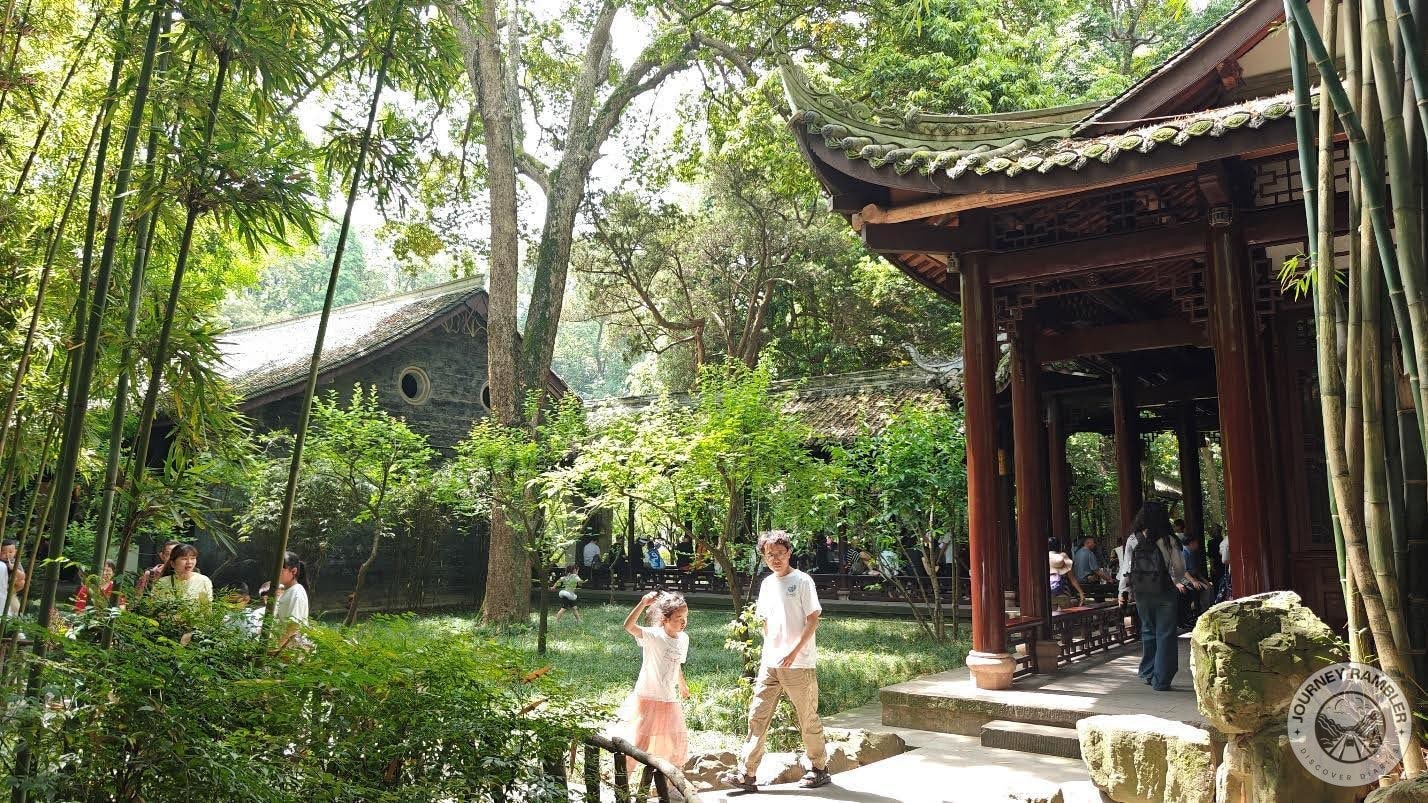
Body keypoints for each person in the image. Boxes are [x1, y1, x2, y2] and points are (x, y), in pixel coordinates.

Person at [719, 530, 831, 792]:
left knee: (807, 718)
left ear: (789, 553)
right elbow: (765, 620)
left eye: (780, 553)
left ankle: (819, 768)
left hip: (799, 664)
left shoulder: (802, 581)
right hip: (770, 664)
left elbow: (813, 619)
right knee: (757, 716)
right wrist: (771, 648)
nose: (776, 559)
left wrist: (793, 651)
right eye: (770, 554)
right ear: (764, 556)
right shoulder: (767, 583)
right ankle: (747, 774)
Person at [1118, 501, 1196, 691]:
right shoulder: (1169, 539)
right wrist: (1174, 579)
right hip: (1165, 591)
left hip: (1141, 592)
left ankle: (1147, 672)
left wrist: (1123, 591)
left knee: (1147, 630)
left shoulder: (1133, 539)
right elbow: (1179, 569)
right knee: (1166, 633)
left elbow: (1126, 569)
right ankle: (1161, 680)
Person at [619, 590, 690, 775]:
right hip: (648, 697)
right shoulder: (653, 636)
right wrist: (643, 603)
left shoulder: (683, 639)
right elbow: (628, 626)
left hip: (669, 698)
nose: (683, 622)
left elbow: (676, 664)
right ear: (665, 619)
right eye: (678, 618)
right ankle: (623, 780)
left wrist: (682, 685)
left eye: (685, 617)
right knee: (640, 742)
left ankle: (669, 783)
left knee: (675, 741)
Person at [273, 551, 310, 651]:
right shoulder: (284, 591)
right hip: (284, 649)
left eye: (280, 570)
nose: (276, 573)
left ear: (293, 571)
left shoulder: (297, 592)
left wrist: (276, 647)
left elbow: (294, 626)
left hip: (293, 650)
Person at [1179, 533, 1212, 626]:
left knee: (1207, 587)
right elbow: (1183, 570)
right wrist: (1193, 581)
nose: (1197, 544)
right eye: (1196, 542)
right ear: (1191, 543)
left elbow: (1195, 570)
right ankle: (1195, 612)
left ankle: (1202, 610)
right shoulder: (1184, 552)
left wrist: (1203, 580)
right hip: (1183, 578)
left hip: (1193, 577)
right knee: (1196, 589)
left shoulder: (1191, 552)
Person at [1048, 538, 1085, 609]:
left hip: (1049, 593)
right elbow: (1072, 579)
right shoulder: (1062, 557)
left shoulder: (1043, 558)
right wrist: (1081, 593)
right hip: (1063, 592)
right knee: (1066, 613)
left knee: (1053, 614)